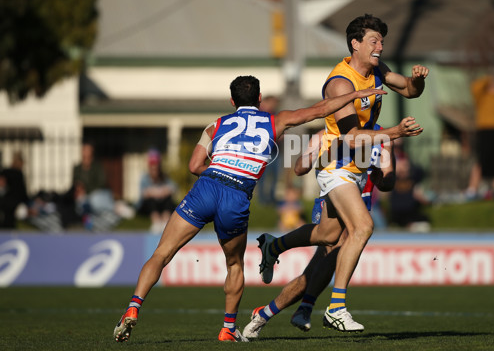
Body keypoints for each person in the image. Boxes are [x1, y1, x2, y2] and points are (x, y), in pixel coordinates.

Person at [112, 75, 386, 343]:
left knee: (162, 253)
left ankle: (134, 305)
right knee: (233, 265)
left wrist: (222, 168)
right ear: (259, 99)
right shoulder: (275, 120)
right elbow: (318, 110)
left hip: (206, 187)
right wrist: (353, 95)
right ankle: (227, 329)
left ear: (232, 100)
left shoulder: (215, 125)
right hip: (236, 195)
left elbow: (194, 166)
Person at [256, 14, 428, 332]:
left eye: (382, 41)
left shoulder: (378, 73)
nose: (380, 46)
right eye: (374, 41)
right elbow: (348, 138)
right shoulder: (340, 82)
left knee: (329, 237)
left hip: (357, 167)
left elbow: (409, 89)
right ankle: (331, 307)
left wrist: (418, 80)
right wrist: (395, 132)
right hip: (336, 163)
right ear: (355, 44)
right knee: (359, 230)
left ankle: (274, 250)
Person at [243, 126, 395, 339]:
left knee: (326, 254)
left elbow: (389, 179)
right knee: (329, 252)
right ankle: (309, 307)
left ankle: (274, 308)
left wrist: (382, 179)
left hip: (359, 204)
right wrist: (311, 156)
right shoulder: (329, 133)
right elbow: (299, 168)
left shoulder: (384, 136)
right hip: (336, 200)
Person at [388, 145, 431, 232]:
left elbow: (422, 172)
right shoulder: (392, 177)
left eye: (406, 164)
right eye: (401, 164)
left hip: (411, 214)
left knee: (424, 224)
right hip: (397, 214)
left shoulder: (414, 176)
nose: (404, 167)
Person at [138, 149, 177, 234]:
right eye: (152, 168)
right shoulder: (145, 178)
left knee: (168, 199)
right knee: (150, 200)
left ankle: (165, 222)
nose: (154, 171)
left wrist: (162, 192)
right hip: (148, 206)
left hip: (162, 204)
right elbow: (144, 193)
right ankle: (156, 222)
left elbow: (173, 187)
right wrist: (156, 192)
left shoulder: (164, 177)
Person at [0, 151, 29, 229]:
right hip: (14, 201)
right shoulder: (17, 173)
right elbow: (22, 190)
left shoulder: (6, 172)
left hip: (7, 201)